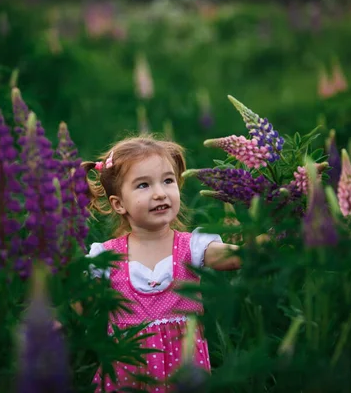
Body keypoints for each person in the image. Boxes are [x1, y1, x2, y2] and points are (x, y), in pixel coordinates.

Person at [81, 135, 241, 392]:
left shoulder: (193, 247)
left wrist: (267, 242)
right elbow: (79, 302)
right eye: (143, 185)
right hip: (127, 379)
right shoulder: (107, 256)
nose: (159, 193)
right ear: (119, 204)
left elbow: (234, 258)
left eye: (168, 181)